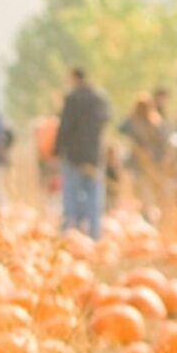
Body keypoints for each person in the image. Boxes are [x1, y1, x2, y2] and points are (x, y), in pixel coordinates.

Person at [57, 68, 111, 239]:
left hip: (74, 155)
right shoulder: (99, 98)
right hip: (94, 155)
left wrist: (57, 149)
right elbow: (106, 120)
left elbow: (65, 127)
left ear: (74, 78)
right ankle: (95, 234)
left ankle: (71, 233)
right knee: (94, 196)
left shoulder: (72, 99)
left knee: (71, 195)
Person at [120, 95, 171, 220]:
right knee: (147, 191)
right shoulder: (155, 122)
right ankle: (147, 215)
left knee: (143, 191)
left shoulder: (137, 122)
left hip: (142, 163)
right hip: (149, 163)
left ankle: (146, 216)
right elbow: (163, 144)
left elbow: (121, 128)